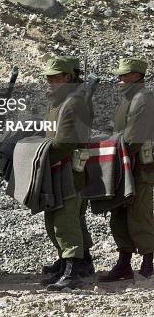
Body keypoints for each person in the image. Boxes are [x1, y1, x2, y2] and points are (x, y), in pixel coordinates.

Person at [99, 58, 154, 282]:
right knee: (119, 215)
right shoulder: (127, 101)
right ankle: (124, 263)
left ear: (136, 77)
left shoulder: (143, 100)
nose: (118, 79)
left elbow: (133, 139)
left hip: (140, 168)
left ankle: (148, 263)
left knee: (139, 215)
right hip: (123, 166)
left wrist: (112, 148)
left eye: (124, 75)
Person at [42, 57, 95, 279]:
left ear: (69, 77)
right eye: (49, 77)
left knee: (66, 220)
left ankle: (73, 269)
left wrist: (41, 155)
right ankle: (68, 263)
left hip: (68, 171)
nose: (52, 81)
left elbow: (64, 142)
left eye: (57, 77)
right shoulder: (57, 102)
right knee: (56, 218)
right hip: (57, 169)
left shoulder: (73, 102)